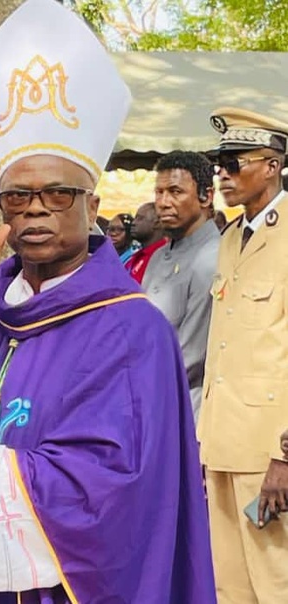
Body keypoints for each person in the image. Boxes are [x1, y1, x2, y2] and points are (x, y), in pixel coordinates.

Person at [0, 0, 215, 601]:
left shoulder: (131, 330)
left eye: (58, 194)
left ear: (92, 205)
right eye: (18, 197)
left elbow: (117, 490)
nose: (36, 210)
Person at [199, 106, 288, 603]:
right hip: (223, 444)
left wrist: (284, 457)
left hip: (270, 451)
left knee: (277, 583)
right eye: (219, 164)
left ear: (272, 165)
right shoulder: (231, 238)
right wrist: (204, 441)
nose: (223, 175)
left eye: (234, 163)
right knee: (230, 586)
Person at [143, 151, 220, 418]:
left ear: (206, 197)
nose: (163, 203)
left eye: (175, 192)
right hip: (150, 397)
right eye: (159, 192)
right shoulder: (158, 256)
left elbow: (191, 357)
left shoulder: (213, 258)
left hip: (185, 408)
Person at [124, 202, 166, 283]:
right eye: (135, 218)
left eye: (140, 218)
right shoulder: (137, 256)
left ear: (157, 223)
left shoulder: (164, 257)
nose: (133, 223)